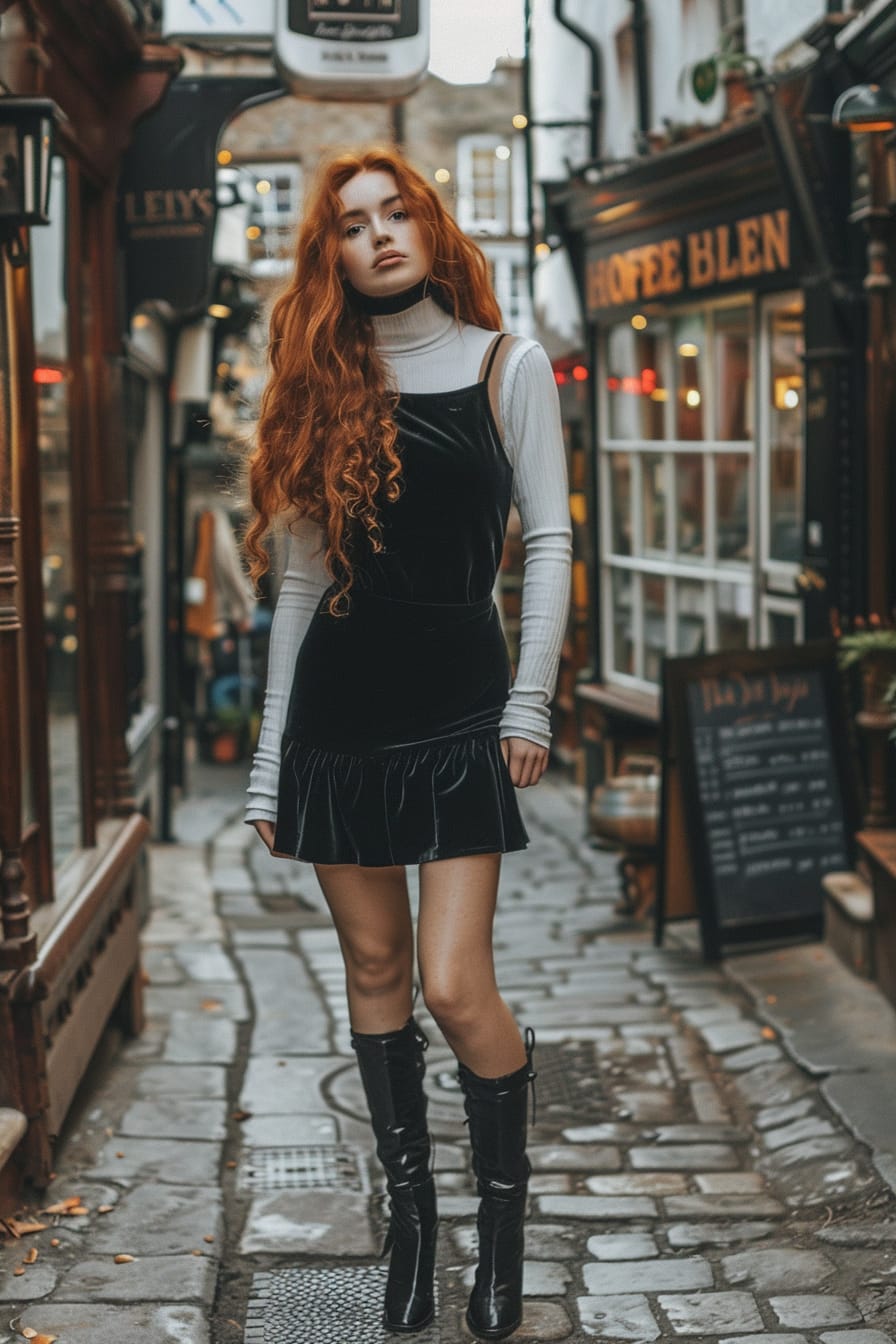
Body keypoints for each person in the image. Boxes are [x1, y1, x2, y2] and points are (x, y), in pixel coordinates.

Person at [244, 146, 571, 1341]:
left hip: (458, 707)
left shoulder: (505, 364)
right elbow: (294, 588)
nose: (377, 236)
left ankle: (499, 1240)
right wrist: (271, 756)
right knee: (374, 978)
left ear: (430, 227)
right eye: (349, 224)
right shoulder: (315, 383)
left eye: (396, 213)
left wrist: (527, 702)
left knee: (449, 982)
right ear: (326, 251)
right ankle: (410, 1234)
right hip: (338, 712)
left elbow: (548, 543)